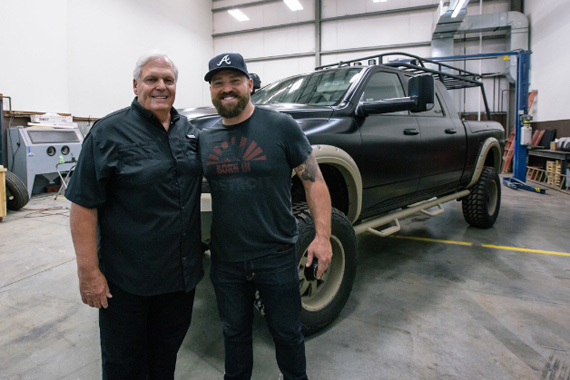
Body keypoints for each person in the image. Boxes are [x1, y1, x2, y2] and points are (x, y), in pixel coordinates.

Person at [66, 51, 203, 380]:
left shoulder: (189, 130)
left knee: (164, 357)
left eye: (168, 80)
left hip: (179, 279)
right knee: (123, 364)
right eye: (151, 79)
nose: (161, 86)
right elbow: (83, 206)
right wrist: (89, 274)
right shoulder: (108, 133)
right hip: (127, 283)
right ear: (134, 85)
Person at [200, 52, 333, 380]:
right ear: (212, 91)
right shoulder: (204, 138)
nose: (226, 89)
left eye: (234, 81)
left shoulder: (281, 126)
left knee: (287, 334)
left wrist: (322, 237)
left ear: (249, 84)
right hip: (226, 260)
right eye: (218, 83)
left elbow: (314, 182)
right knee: (234, 335)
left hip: (275, 256)